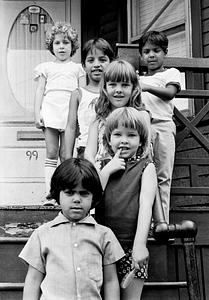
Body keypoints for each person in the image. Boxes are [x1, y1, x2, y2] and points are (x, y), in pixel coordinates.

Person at [19, 158, 125, 300]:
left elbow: (111, 281)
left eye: (84, 193)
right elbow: (33, 280)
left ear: (93, 197)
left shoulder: (104, 235)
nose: (77, 199)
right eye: (69, 192)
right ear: (57, 194)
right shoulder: (42, 235)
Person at [95, 107, 157, 300]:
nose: (124, 140)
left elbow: (146, 205)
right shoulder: (102, 167)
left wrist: (140, 244)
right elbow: (92, 201)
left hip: (132, 245)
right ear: (108, 139)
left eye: (131, 135)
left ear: (141, 141)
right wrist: (106, 172)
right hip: (103, 247)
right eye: (117, 134)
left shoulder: (147, 167)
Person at [34, 22, 86, 205]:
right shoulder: (45, 67)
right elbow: (40, 91)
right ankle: (49, 192)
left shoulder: (77, 68)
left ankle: (65, 192)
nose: (62, 46)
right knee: (51, 152)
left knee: (67, 154)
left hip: (70, 113)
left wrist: (81, 116)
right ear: (51, 46)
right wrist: (37, 113)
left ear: (72, 46)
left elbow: (82, 93)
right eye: (57, 43)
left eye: (66, 42)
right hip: (50, 110)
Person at [138, 30, 182, 222]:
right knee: (143, 174)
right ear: (141, 55)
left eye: (156, 50)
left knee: (163, 175)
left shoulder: (171, 73)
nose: (151, 55)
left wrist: (145, 87)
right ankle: (145, 222)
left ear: (165, 52)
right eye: (147, 51)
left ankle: (162, 221)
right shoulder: (137, 77)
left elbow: (170, 93)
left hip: (163, 126)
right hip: (142, 129)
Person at [84, 59, 149, 169]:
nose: (118, 90)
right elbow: (89, 153)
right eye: (113, 85)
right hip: (104, 174)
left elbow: (146, 150)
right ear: (105, 87)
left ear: (133, 88)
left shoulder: (141, 116)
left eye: (125, 85)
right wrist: (95, 169)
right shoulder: (99, 119)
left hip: (132, 174)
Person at [64, 38, 114, 159]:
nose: (96, 65)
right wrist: (67, 157)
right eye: (91, 60)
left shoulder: (115, 92)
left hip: (112, 150)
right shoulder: (78, 94)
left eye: (102, 60)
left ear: (111, 62)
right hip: (85, 150)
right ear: (84, 66)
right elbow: (71, 127)